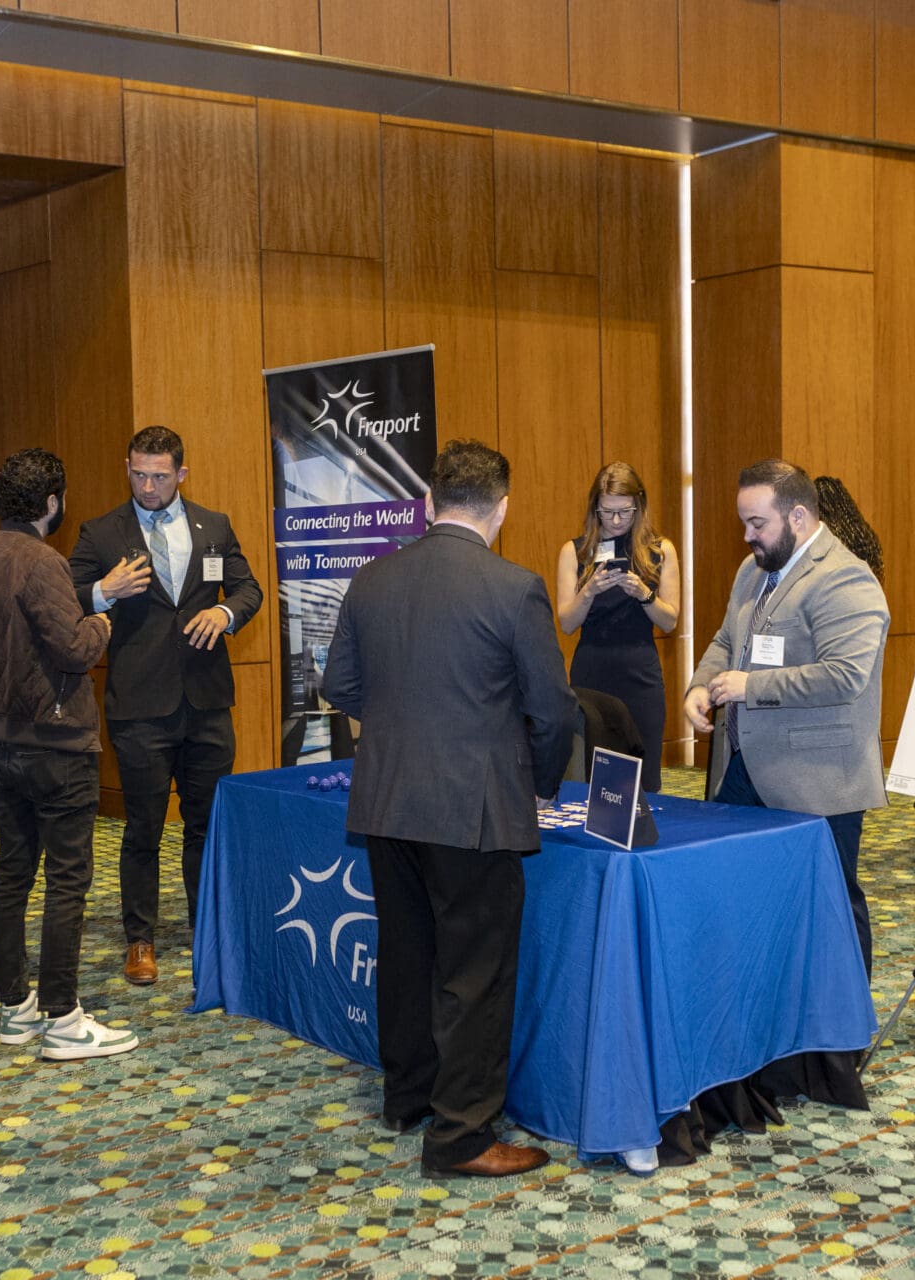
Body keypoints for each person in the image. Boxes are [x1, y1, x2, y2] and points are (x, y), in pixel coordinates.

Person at [322, 439, 576, 1179]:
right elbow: (552, 710)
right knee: (474, 973)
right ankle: (463, 1137)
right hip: (474, 810)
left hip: (387, 801)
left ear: (429, 502)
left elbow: (340, 686)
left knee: (407, 956)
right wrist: (543, 785)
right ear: (503, 508)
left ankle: (407, 1099)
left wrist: (402, 724)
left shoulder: (371, 577)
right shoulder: (515, 587)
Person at [0, 449, 138, 1062]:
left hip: (3, 741)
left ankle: (16, 1008)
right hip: (58, 747)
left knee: (13, 873)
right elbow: (75, 648)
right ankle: (63, 1019)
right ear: (53, 502)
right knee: (67, 880)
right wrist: (104, 620)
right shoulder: (42, 562)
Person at [69, 425, 262, 986]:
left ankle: (208, 930)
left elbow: (248, 589)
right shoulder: (101, 532)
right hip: (139, 706)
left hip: (206, 702)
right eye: (138, 474)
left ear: (181, 474)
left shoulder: (214, 526)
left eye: (159, 476)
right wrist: (104, 591)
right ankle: (141, 940)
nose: (147, 486)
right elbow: (67, 596)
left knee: (205, 825)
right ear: (127, 470)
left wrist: (225, 613)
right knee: (144, 830)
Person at [683, 458, 889, 977]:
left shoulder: (845, 578)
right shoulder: (752, 571)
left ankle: (846, 1018)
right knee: (739, 889)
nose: (747, 536)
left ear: (798, 516)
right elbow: (726, 640)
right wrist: (700, 686)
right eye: (743, 522)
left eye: (757, 523)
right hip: (748, 765)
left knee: (831, 905)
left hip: (819, 778)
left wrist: (750, 687)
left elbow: (845, 675)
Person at [554, 462, 680, 792]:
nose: (615, 520)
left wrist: (644, 594)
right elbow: (566, 623)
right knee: (594, 777)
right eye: (607, 512)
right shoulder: (575, 551)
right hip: (592, 671)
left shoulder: (660, 550)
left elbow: (670, 621)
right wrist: (589, 591)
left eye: (624, 511)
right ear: (594, 508)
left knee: (643, 778)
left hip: (640, 674)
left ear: (639, 506)